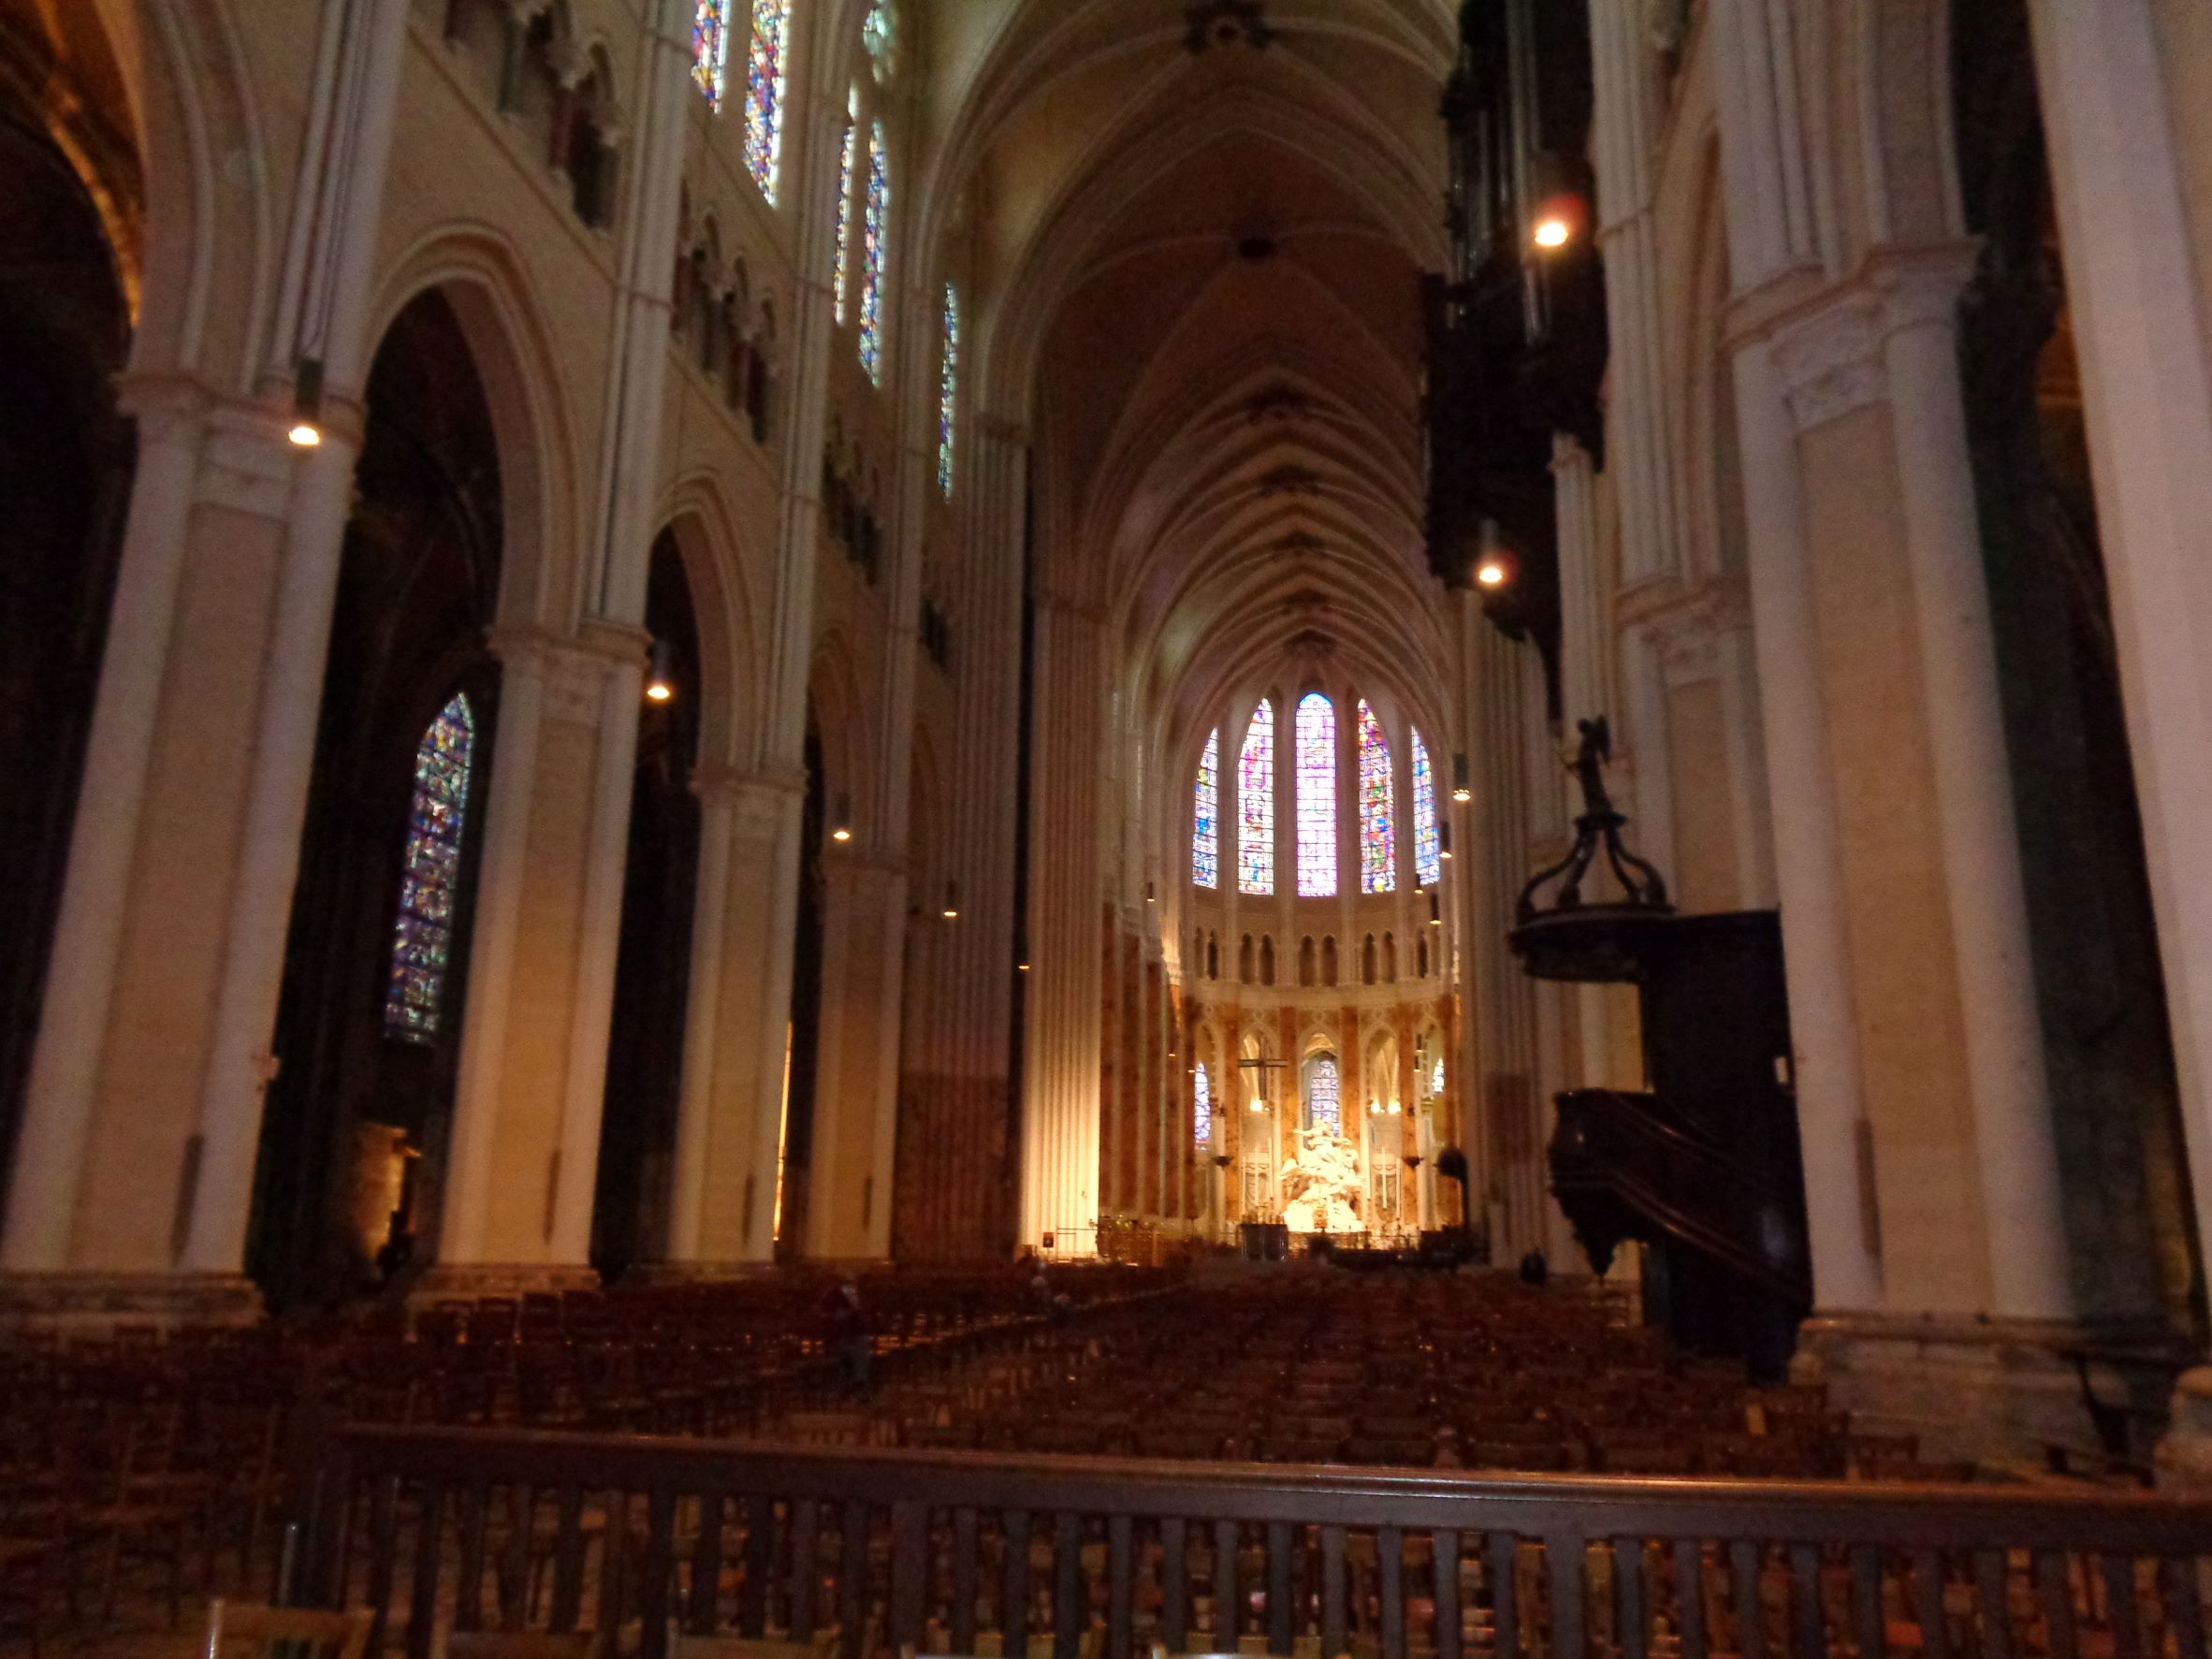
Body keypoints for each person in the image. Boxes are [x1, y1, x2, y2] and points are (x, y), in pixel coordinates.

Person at [823, 1275, 871, 1390]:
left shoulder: (853, 1298)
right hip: (839, 1338)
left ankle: (860, 1380)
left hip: (853, 1335)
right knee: (856, 1350)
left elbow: (861, 1318)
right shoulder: (834, 1297)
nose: (851, 1292)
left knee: (860, 1348)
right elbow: (831, 1317)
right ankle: (858, 1381)